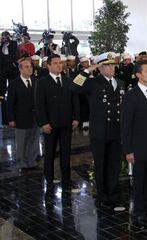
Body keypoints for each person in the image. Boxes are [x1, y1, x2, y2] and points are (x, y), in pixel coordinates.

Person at [72, 52, 125, 210]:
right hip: (100, 131)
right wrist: (87, 70)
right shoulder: (93, 83)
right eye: (107, 65)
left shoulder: (120, 83)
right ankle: (103, 196)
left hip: (116, 131)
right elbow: (73, 86)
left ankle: (113, 194)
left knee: (114, 165)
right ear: (100, 67)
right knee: (101, 165)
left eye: (113, 65)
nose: (111, 68)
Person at [121, 60, 147, 227]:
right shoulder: (131, 96)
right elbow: (126, 126)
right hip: (139, 148)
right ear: (138, 75)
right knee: (139, 182)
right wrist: (128, 150)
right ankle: (139, 213)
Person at [35, 54, 80, 189]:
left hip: (66, 123)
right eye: (55, 63)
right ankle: (49, 179)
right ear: (48, 65)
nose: (59, 65)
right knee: (50, 153)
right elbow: (39, 105)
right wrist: (43, 123)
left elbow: (75, 100)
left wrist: (77, 118)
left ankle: (66, 179)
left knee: (66, 153)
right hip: (50, 124)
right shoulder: (42, 82)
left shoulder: (68, 81)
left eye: (60, 63)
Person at [7, 57, 40, 171]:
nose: (30, 69)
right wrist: (11, 119)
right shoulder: (13, 84)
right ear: (20, 69)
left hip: (36, 117)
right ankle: (22, 163)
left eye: (30, 67)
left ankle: (32, 161)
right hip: (21, 118)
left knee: (34, 140)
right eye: (26, 67)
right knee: (22, 142)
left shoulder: (36, 81)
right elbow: (10, 103)